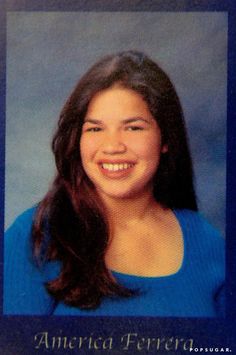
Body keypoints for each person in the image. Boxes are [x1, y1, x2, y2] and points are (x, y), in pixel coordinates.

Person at [4, 50, 225, 316]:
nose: (112, 147)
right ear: (77, 139)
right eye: (95, 128)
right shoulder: (35, 237)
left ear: (166, 139)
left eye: (133, 127)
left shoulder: (210, 243)